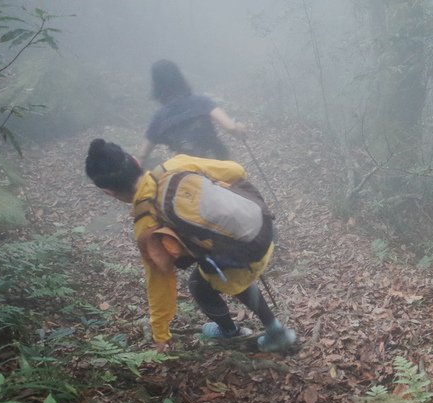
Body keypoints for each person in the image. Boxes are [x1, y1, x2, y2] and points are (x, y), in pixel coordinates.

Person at [84, 138, 296, 354]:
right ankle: (274, 329)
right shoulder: (176, 164)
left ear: (108, 192)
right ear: (136, 163)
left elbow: (160, 282)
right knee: (222, 270)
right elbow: (236, 170)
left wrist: (160, 334)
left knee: (199, 285)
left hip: (246, 256)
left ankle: (236, 332)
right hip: (265, 229)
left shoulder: (145, 223)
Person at [135, 60, 246, 167]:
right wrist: (239, 128)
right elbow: (230, 127)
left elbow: (142, 155)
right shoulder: (202, 102)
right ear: (180, 78)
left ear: (156, 86)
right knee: (239, 182)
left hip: (186, 170)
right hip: (217, 161)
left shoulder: (159, 118)